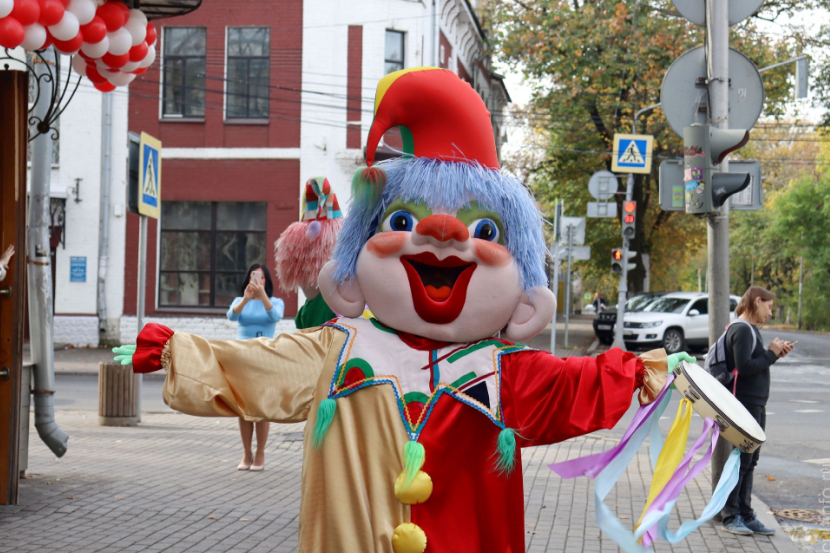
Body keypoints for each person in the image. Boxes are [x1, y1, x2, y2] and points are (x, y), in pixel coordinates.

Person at [721, 286, 793, 536]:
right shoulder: (742, 329)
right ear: (757, 301)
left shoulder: (749, 330)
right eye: (769, 307)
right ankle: (731, 517)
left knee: (749, 461)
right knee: (741, 460)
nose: (770, 313)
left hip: (755, 404)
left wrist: (774, 354)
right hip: (745, 404)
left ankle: (746, 514)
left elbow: (756, 364)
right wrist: (771, 354)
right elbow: (745, 366)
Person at [226, 263, 285, 471]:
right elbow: (231, 316)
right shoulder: (240, 300)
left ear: (265, 281)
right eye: (253, 276)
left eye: (260, 277)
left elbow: (275, 316)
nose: (256, 280)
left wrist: (262, 297)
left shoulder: (275, 302)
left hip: (264, 358)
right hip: (241, 358)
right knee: (243, 407)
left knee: (261, 407)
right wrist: (246, 298)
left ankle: (260, 453)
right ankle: (246, 452)